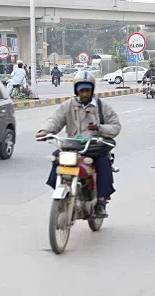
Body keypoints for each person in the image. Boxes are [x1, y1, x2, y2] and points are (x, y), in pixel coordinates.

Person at [35, 71, 121, 217]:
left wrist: (100, 128)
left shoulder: (102, 107)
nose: (84, 93)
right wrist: (45, 131)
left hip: (94, 147)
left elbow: (116, 126)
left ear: (92, 89)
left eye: (87, 90)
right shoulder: (68, 105)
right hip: (72, 146)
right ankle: (60, 191)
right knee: (56, 157)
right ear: (76, 90)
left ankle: (100, 201)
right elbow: (55, 120)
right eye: (81, 90)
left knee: (103, 162)